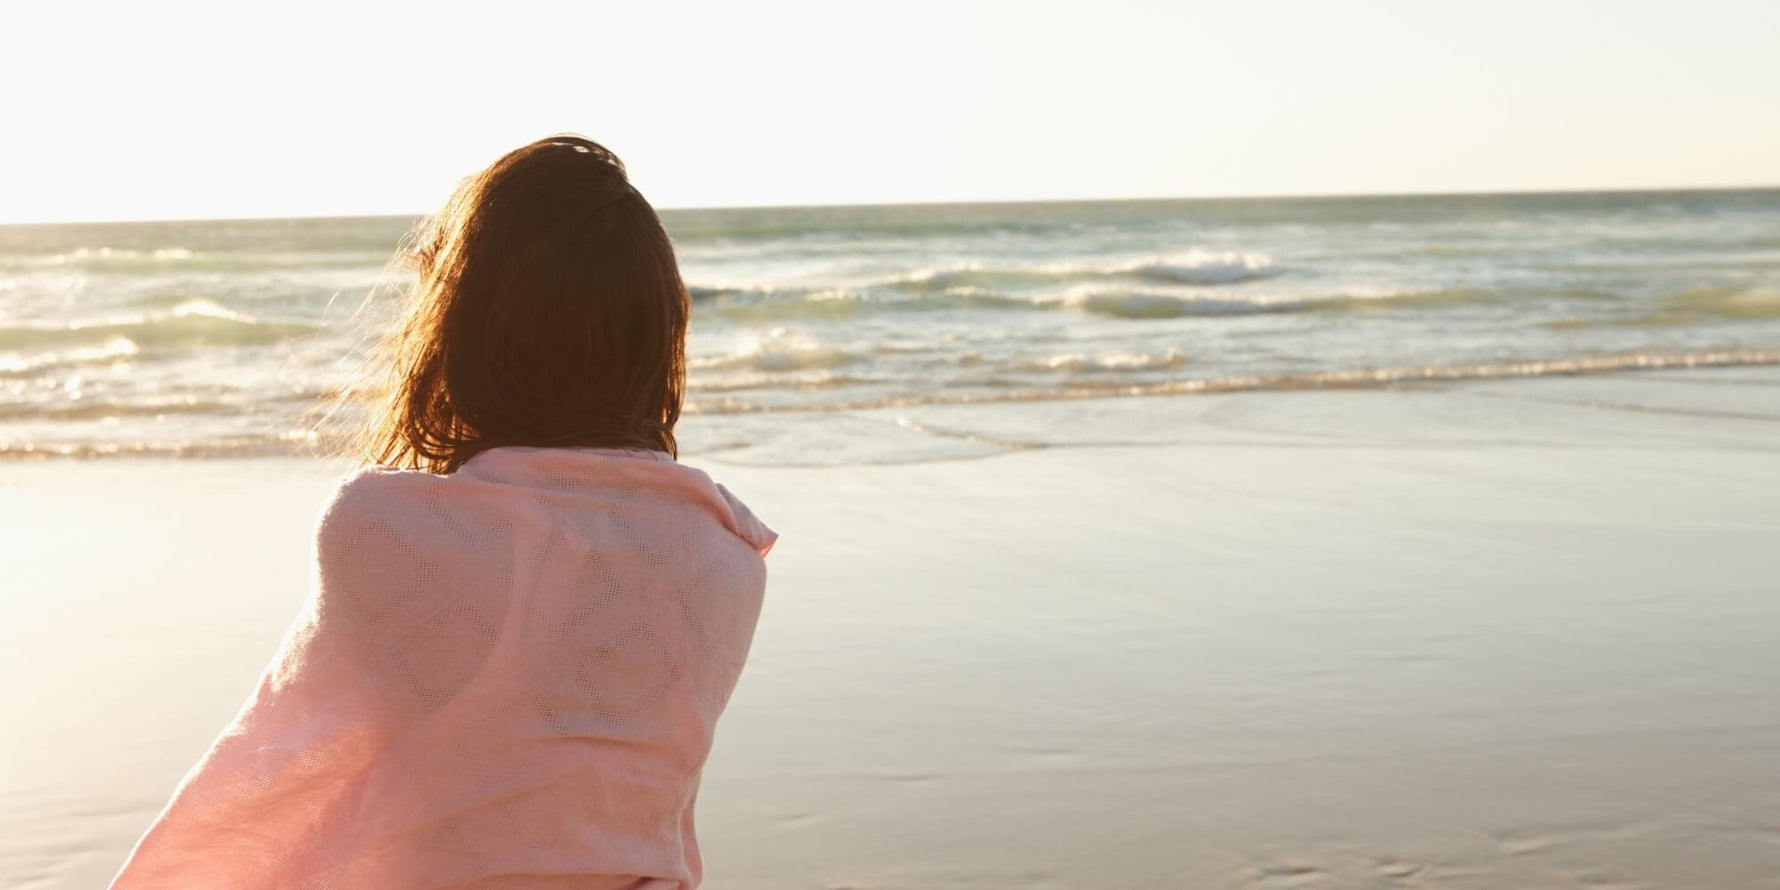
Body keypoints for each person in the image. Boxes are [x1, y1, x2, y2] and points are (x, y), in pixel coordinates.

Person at [108, 135, 777, 890]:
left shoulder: (385, 532)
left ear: (463, 330)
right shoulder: (725, 562)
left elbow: (298, 770)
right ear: (656, 339)